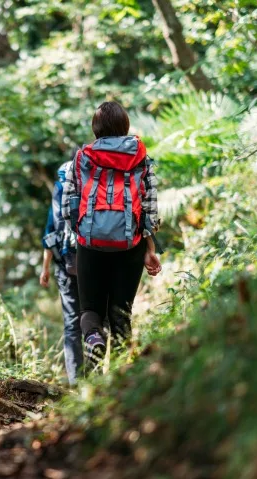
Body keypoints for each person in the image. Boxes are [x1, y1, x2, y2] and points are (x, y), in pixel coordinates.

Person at [61, 101, 162, 367]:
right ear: (125, 125)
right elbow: (150, 210)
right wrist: (150, 248)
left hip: (89, 245)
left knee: (90, 310)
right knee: (121, 313)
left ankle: (94, 341)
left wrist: (84, 234)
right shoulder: (141, 157)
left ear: (96, 129)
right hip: (131, 246)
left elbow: (66, 206)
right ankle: (119, 379)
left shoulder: (81, 158)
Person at [39, 161, 83, 385]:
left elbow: (51, 230)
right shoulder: (96, 184)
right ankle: (101, 379)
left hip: (67, 262)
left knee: (72, 322)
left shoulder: (61, 187)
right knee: (98, 319)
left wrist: (45, 267)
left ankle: (77, 382)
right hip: (98, 257)